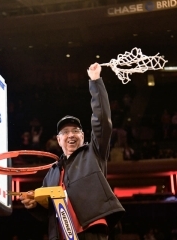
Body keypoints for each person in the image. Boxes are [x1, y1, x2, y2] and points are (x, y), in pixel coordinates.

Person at [20, 63, 125, 240]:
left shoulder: (94, 153)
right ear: (58, 140)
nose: (71, 135)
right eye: (65, 132)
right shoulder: (51, 173)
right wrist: (33, 205)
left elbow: (102, 122)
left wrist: (95, 81)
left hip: (90, 231)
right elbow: (48, 211)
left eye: (75, 131)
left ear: (83, 136)